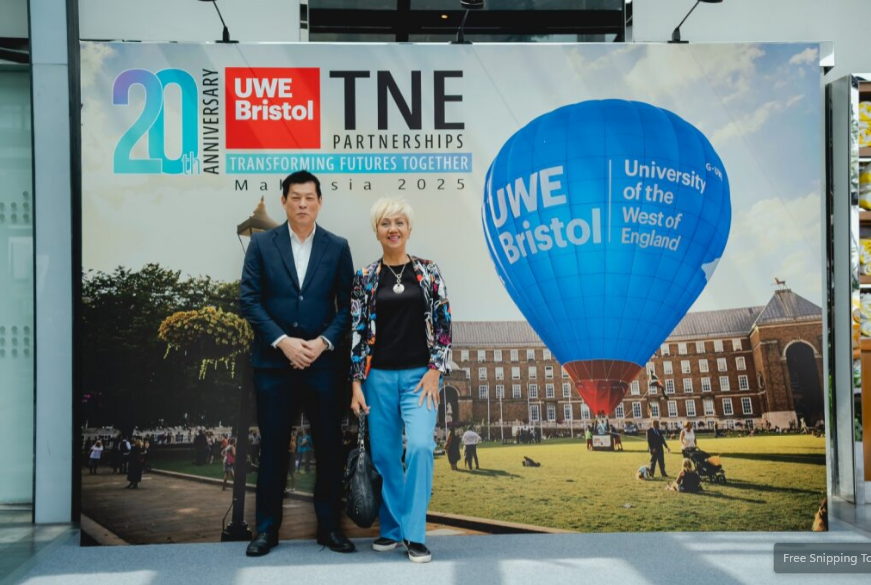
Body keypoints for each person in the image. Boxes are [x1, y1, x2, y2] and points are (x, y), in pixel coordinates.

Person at [240, 170, 355, 556]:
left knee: (329, 449)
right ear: (283, 201)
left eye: (309, 198)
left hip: (324, 367)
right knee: (273, 449)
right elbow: (249, 300)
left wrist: (322, 343)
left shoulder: (338, 247)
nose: (302, 204)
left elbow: (348, 307)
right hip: (274, 366)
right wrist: (283, 342)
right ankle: (266, 531)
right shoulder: (261, 245)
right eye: (295, 197)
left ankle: (330, 529)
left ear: (319, 202)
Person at [349, 198, 452, 564]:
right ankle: (392, 529)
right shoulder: (364, 277)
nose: (392, 229)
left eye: (399, 223)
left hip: (420, 379)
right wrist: (356, 384)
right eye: (385, 223)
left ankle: (415, 534)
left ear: (409, 229)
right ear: (376, 230)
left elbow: (443, 324)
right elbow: (357, 331)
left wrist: (435, 371)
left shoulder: (428, 271)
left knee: (421, 446)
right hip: (377, 378)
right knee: (385, 456)